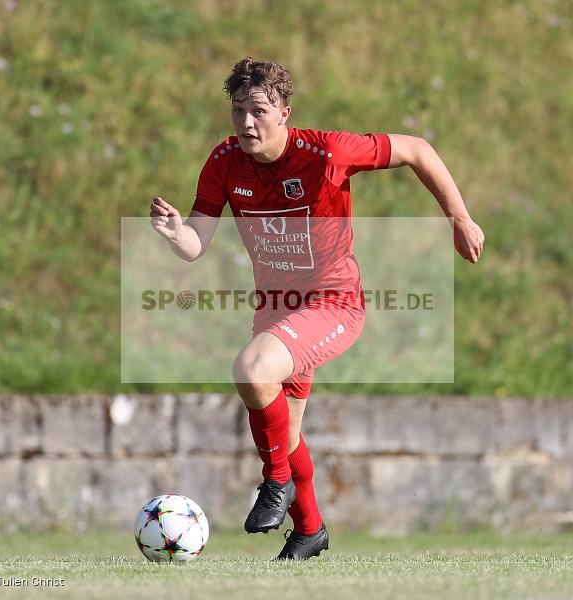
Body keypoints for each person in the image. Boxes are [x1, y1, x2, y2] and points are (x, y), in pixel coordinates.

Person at [150, 58, 484, 560]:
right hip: (276, 310)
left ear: (284, 111)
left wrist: (458, 217)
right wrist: (178, 234)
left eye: (258, 111)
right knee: (284, 430)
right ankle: (309, 531)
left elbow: (417, 149)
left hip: (333, 302)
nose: (245, 123)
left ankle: (274, 486)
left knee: (251, 368)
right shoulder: (223, 162)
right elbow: (197, 242)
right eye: (237, 111)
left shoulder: (326, 150)